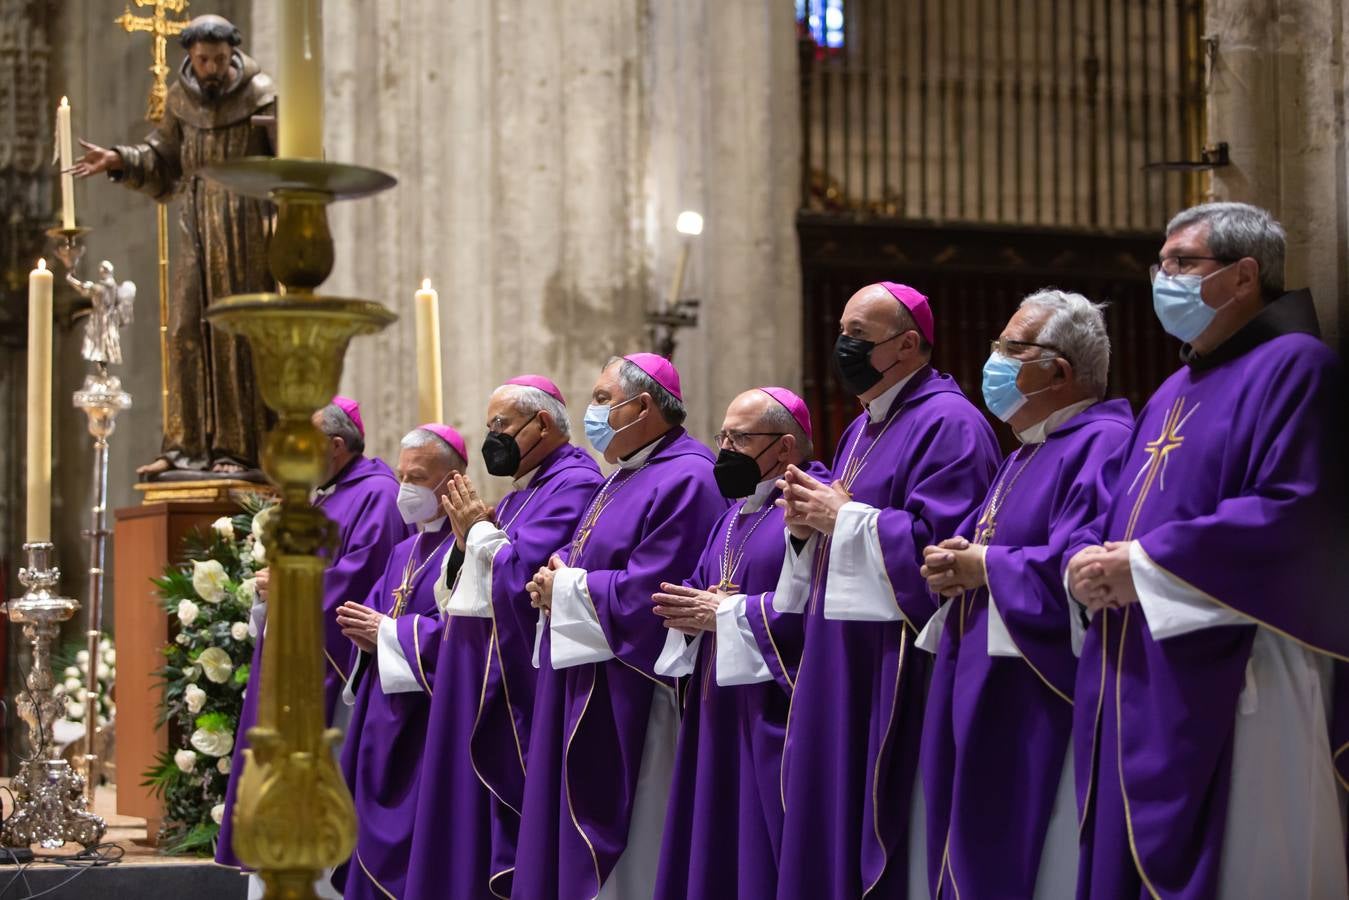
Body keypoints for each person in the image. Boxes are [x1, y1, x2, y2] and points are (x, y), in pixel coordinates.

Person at [1065, 202, 1349, 898]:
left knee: (1249, 858)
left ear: (1243, 276)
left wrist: (1139, 565)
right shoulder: (1171, 388)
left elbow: (1297, 508)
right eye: (1160, 263)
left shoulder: (1298, 366)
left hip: (1246, 654)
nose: (1163, 278)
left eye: (1181, 264)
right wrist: (1095, 565)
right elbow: (1124, 509)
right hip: (1144, 653)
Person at [774, 282, 1000, 898]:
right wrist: (807, 528)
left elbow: (939, 551)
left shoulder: (950, 423)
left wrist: (842, 518)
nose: (843, 348)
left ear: (907, 345)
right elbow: (839, 524)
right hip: (839, 653)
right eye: (841, 332)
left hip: (893, 667)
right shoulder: (863, 429)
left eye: (858, 337)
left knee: (881, 819)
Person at [917, 290, 1133, 899]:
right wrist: (959, 565)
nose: (994, 361)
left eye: (1011, 348)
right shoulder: (1031, 446)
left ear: (1059, 370)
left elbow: (1083, 569)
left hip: (1037, 693)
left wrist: (984, 565)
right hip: (984, 673)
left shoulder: (1103, 443)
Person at [515, 353, 727, 900]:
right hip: (595, 676)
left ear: (644, 405)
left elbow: (656, 590)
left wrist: (563, 587)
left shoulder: (689, 476)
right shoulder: (623, 476)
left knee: (641, 843)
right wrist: (551, 577)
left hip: (641, 694)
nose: (593, 411)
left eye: (604, 399)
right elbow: (580, 552)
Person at [403, 376, 602, 899]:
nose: (493, 436)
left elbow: (519, 579)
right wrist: (469, 538)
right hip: (473, 668)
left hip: (507, 679)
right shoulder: (526, 488)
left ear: (541, 423)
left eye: (502, 424)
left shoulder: (573, 482)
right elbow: (470, 579)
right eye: (490, 425)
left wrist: (477, 535)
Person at [215, 396, 407, 889]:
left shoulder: (377, 495)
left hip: (330, 675)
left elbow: (367, 576)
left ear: (336, 445)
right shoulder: (325, 494)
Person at [71, 14, 274, 476]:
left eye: (220, 59)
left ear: (232, 56)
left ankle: (239, 450)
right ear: (191, 57)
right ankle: (185, 448)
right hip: (194, 224)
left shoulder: (260, 92)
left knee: (233, 334)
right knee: (183, 330)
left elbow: (286, 158)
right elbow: (163, 158)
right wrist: (120, 159)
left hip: (243, 228)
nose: (213, 68)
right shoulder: (181, 98)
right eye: (204, 59)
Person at [651, 387, 829, 900]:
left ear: (786, 447)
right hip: (716, 709)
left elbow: (812, 608)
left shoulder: (806, 504)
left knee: (761, 851)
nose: (725, 447)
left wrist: (725, 613)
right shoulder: (731, 516)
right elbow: (710, 592)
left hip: (773, 712)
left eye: (741, 437)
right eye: (722, 435)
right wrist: (686, 610)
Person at [330, 425, 469, 900]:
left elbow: (470, 638)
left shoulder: (469, 549)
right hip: (382, 723)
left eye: (418, 477)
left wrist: (387, 634)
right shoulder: (402, 551)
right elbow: (376, 616)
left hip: (429, 725)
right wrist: (363, 632)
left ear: (452, 481)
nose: (405, 487)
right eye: (401, 475)